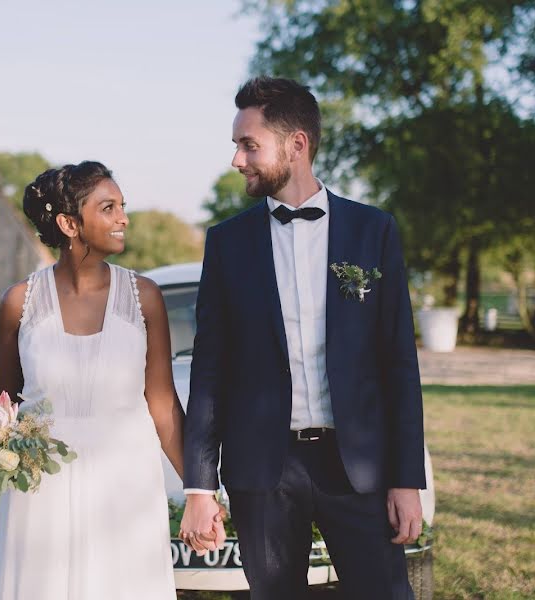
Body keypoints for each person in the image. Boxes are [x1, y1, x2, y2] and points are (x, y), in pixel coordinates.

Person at [179, 77, 426, 599]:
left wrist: (406, 478)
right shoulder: (226, 243)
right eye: (237, 146)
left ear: (297, 145)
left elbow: (398, 363)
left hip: (356, 466)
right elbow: (210, 371)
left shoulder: (373, 231)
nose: (237, 160)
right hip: (263, 471)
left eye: (249, 145)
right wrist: (200, 486)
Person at [0, 161, 209, 599]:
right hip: (40, 494)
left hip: (126, 490)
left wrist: (201, 492)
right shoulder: (19, 303)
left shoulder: (145, 297)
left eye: (122, 206)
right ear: (70, 224)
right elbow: (2, 407)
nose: (123, 218)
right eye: (108, 208)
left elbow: (163, 406)